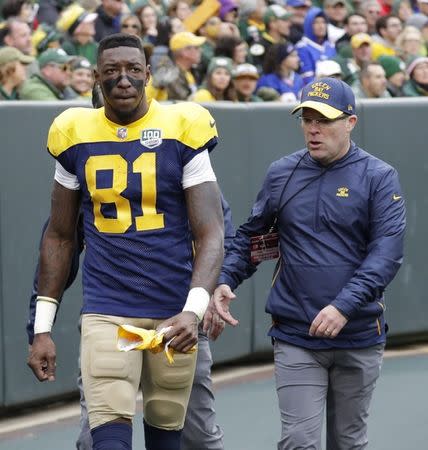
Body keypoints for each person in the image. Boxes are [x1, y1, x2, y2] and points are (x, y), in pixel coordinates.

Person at [27, 33, 224, 450]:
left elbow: (211, 231)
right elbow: (60, 237)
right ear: (95, 77)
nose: (123, 79)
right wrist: (41, 327)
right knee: (105, 437)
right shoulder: (74, 131)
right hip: (109, 308)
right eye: (112, 70)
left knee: (176, 434)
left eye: (133, 69)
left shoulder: (182, 126)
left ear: (148, 74)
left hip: (175, 309)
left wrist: (195, 308)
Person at [213, 77, 406, 450]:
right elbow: (254, 237)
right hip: (296, 333)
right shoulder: (282, 173)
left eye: (325, 120)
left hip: (360, 334)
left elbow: (386, 254)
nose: (314, 129)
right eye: (307, 119)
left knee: (348, 442)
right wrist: (225, 279)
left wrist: (343, 307)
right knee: (299, 441)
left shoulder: (379, 177)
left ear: (350, 122)